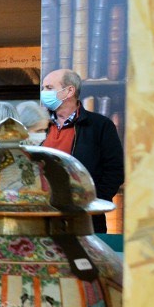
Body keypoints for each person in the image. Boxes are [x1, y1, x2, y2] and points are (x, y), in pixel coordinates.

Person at [40, 69, 123, 230]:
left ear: (69, 91)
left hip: (84, 219)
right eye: (43, 88)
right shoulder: (38, 125)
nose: (44, 93)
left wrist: (91, 202)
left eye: (49, 88)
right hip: (41, 218)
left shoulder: (100, 126)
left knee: (82, 256)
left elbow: (115, 170)